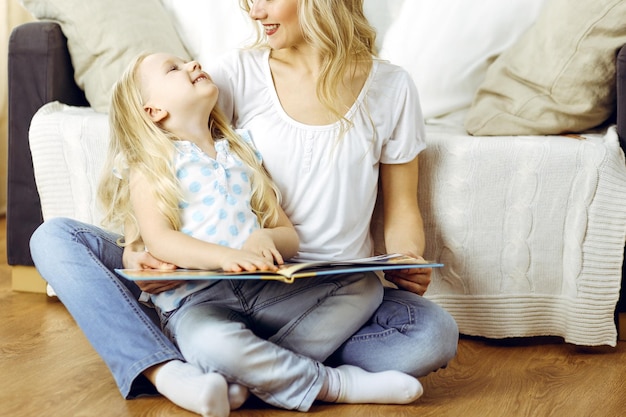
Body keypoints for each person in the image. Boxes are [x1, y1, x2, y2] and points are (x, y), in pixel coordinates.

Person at [30, 0, 458, 414]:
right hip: (215, 279)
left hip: (320, 291)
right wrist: (139, 247)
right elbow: (153, 151)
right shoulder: (229, 74)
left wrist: (407, 257)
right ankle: (167, 369)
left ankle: (237, 368)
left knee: (433, 335)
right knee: (55, 237)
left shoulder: (391, 87)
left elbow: (402, 207)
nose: (255, 12)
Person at [98, 50, 422, 416]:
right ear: (154, 111)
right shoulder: (151, 167)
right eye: (174, 68)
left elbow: (286, 232)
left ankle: (246, 378)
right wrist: (226, 257)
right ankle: (334, 384)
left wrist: (265, 239)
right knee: (212, 344)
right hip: (198, 302)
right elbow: (160, 240)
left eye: (188, 61)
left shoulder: (241, 150)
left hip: (262, 289)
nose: (193, 65)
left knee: (365, 286)